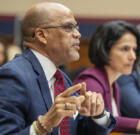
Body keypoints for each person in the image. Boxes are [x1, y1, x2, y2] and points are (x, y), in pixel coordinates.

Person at [0, 2, 116, 135]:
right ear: (41, 35)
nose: (78, 34)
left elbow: (78, 130)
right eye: (69, 27)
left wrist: (98, 114)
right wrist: (42, 125)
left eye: (76, 27)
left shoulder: (60, 78)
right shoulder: (13, 75)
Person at [74, 21, 140, 133]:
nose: (133, 57)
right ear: (105, 49)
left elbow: (110, 123)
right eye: (125, 49)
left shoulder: (114, 84)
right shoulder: (91, 83)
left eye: (134, 50)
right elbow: (104, 122)